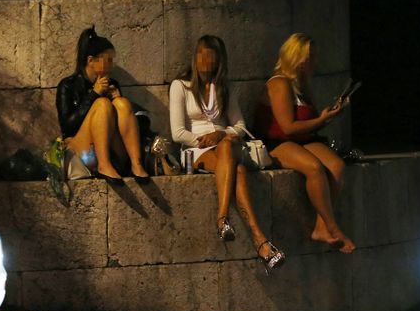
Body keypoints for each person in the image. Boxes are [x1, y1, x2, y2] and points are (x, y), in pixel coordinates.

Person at [169, 35, 285, 272]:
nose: (205, 60)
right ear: (195, 56)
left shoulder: (223, 88)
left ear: (219, 60)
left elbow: (241, 126)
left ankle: (222, 219)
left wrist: (221, 134)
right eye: (201, 53)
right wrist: (204, 140)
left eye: (211, 55)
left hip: (225, 146)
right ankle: (259, 240)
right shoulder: (180, 86)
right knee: (238, 170)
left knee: (226, 150)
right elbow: (178, 132)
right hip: (195, 149)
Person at [254, 33, 355, 253]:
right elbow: (287, 127)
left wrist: (326, 117)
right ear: (299, 58)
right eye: (311, 57)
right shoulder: (280, 83)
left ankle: (320, 226)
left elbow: (310, 122)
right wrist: (320, 119)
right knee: (314, 168)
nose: (314, 63)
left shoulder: (301, 85)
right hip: (276, 141)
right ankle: (333, 226)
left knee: (337, 166)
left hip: (302, 139)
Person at [55, 27, 150, 184]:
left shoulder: (113, 84)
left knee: (122, 103)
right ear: (91, 60)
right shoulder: (68, 85)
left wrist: (117, 99)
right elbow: (67, 127)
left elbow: (126, 125)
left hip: (114, 150)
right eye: (108, 60)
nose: (111, 66)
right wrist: (94, 94)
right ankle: (103, 165)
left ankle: (136, 164)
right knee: (102, 104)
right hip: (84, 153)